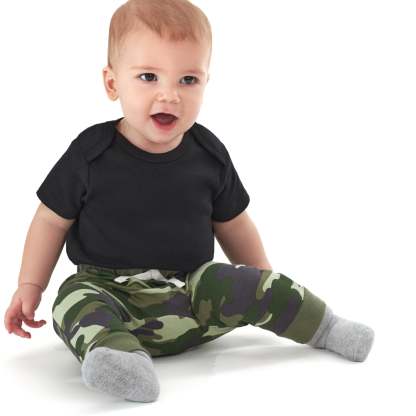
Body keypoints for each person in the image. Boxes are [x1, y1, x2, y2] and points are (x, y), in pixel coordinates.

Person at [4, 0, 374, 403]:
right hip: (108, 292)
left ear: (206, 82)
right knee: (72, 300)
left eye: (188, 80)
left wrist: (262, 282)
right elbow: (51, 220)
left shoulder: (209, 154)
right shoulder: (89, 154)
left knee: (231, 280)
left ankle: (325, 327)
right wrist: (30, 285)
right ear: (112, 84)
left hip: (190, 297)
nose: (170, 95)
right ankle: (118, 356)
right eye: (148, 77)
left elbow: (235, 224)